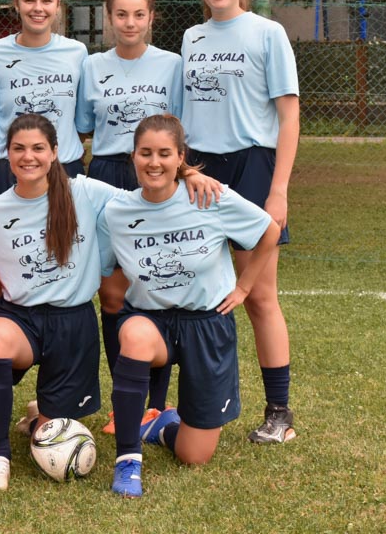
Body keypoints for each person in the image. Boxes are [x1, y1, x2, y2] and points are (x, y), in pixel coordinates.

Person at [100, 114, 279, 497]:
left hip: (207, 323)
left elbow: (269, 230)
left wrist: (244, 287)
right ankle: (128, 461)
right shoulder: (116, 211)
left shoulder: (210, 197)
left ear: (180, 157)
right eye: (145, 153)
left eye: (164, 153)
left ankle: (161, 426)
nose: (154, 162)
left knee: (194, 456)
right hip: (151, 321)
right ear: (133, 156)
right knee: (133, 335)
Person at [181, 0, 300, 444]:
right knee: (195, 291)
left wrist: (279, 190)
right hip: (200, 170)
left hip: (252, 166)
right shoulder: (191, 37)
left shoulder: (268, 33)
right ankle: (191, 406)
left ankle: (279, 413)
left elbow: (289, 116)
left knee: (260, 297)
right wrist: (184, 169)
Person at [0, 114, 120, 491]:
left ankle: (39, 417)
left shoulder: (86, 193)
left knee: (49, 437)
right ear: (6, 154)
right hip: (19, 319)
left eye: (38, 148)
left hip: (73, 323)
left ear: (54, 152)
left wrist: (189, 175)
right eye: (19, 148)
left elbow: (146, 201)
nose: (28, 156)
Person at [76, 0, 185, 429]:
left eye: (138, 15)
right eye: (121, 14)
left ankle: (153, 403)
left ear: (151, 17)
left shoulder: (171, 64)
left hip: (155, 175)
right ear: (109, 17)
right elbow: (84, 126)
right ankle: (125, 396)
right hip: (107, 174)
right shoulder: (92, 65)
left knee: (155, 286)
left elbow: (177, 129)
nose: (129, 23)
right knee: (112, 293)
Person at [0, 0, 88, 201]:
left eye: (46, 0)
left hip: (63, 166)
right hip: (8, 168)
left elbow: (81, 119)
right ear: (16, 3)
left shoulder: (76, 53)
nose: (38, 8)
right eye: (29, 0)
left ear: (57, 4)